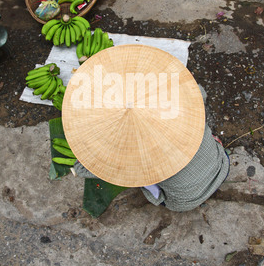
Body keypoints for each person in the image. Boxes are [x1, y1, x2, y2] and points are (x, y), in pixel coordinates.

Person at [73, 85, 230, 212]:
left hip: (185, 202)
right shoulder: (183, 109)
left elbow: (82, 168)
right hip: (222, 166)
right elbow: (199, 91)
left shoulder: (137, 157)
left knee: (139, 178)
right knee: (202, 131)